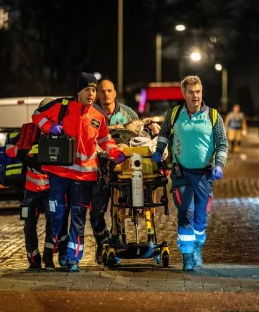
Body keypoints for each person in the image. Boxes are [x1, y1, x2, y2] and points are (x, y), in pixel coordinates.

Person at [32, 72, 126, 272]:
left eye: (94, 90)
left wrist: (116, 151)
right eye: (87, 90)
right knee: (56, 214)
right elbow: (36, 116)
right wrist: (51, 127)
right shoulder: (61, 106)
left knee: (78, 218)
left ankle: (73, 259)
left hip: (85, 177)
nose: (92, 94)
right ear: (78, 91)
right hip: (58, 173)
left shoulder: (97, 116)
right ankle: (57, 243)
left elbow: (104, 141)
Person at [151, 75, 228, 271]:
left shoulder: (213, 116)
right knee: (186, 212)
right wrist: (159, 150)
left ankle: (197, 246)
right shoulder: (175, 114)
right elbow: (164, 132)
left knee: (201, 218)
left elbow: (222, 143)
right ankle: (187, 255)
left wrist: (219, 164)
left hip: (204, 175)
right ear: (183, 93)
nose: (195, 96)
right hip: (181, 173)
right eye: (191, 92)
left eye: (198, 92)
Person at [6, 98, 67, 270]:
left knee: (53, 223)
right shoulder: (28, 129)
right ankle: (34, 260)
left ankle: (49, 259)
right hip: (32, 189)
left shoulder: (60, 131)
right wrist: (35, 161)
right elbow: (19, 152)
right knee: (29, 224)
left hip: (51, 188)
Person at [91, 79, 139, 264]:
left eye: (109, 90)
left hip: (122, 169)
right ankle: (102, 243)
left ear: (115, 92)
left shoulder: (128, 113)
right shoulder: (91, 113)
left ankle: (119, 241)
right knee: (96, 212)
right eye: (101, 91)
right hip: (98, 170)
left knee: (122, 209)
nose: (105, 94)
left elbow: (140, 136)